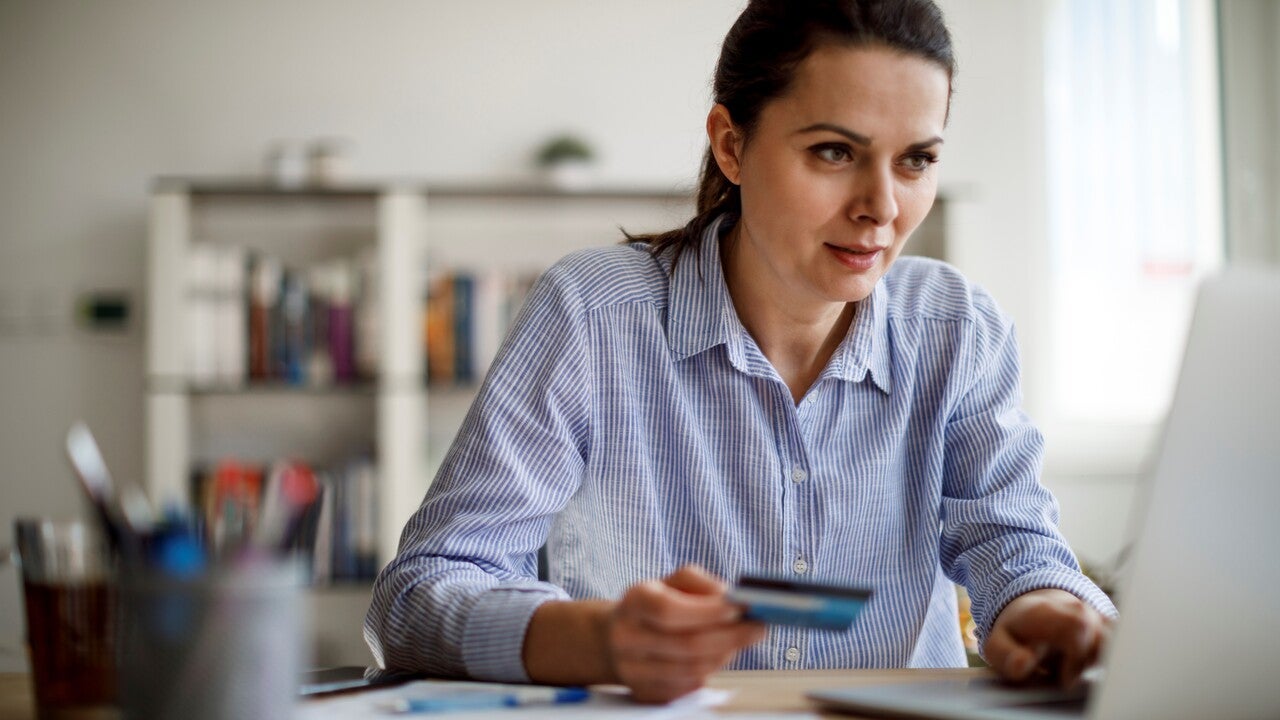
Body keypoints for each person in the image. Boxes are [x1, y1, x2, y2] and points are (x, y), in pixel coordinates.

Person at [366, 0, 1117, 704]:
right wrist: (599, 641)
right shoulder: (593, 316)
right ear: (731, 144)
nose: (882, 207)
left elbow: (1016, 546)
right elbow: (417, 595)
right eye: (834, 151)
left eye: (916, 160)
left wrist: (1044, 606)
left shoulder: (958, 330)